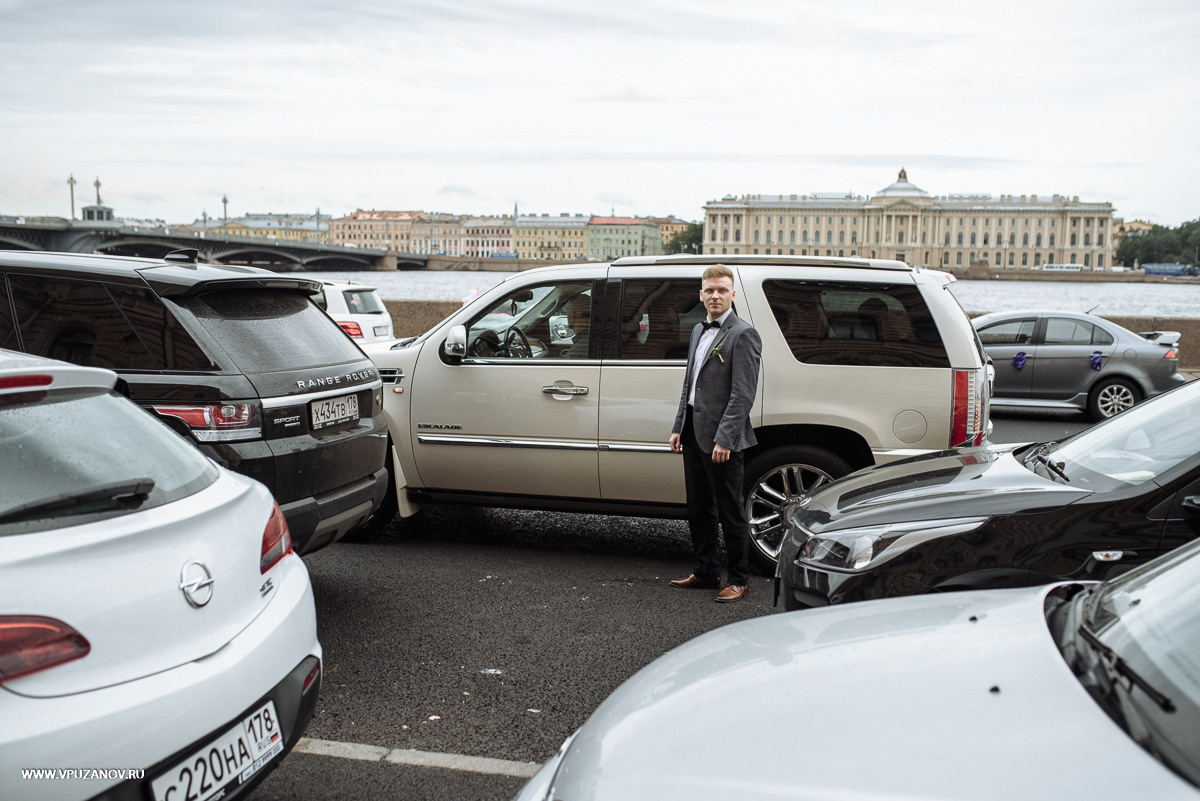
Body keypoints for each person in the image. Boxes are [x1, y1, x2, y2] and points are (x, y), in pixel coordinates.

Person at [667, 265, 762, 602]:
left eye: (722, 290)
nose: (715, 296)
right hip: (693, 432)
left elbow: (743, 395)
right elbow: (689, 384)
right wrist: (679, 425)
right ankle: (706, 572)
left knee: (730, 510)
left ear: (733, 294)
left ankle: (739, 579)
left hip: (723, 439)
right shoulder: (697, 330)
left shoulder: (743, 334)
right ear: (701, 294)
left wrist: (725, 437)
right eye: (709, 290)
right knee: (699, 507)